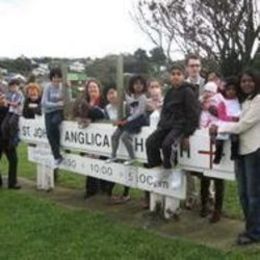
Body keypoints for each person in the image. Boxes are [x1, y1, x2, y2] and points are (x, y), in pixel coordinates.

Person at [210, 70, 260, 245]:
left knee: (254, 195)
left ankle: (255, 233)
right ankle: (251, 227)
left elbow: (243, 125)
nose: (246, 84)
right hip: (241, 150)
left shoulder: (258, 100)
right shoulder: (245, 101)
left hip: (255, 150)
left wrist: (219, 127)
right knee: (243, 193)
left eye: (250, 80)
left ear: (256, 82)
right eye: (244, 81)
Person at [146, 65, 200, 173]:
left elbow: (193, 114)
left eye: (178, 74)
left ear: (183, 76)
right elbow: (165, 111)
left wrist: (187, 135)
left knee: (168, 145)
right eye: (173, 74)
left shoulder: (188, 91)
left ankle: (169, 169)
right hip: (166, 125)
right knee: (150, 142)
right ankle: (156, 168)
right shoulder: (169, 93)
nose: (175, 76)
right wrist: (160, 127)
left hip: (180, 126)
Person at [106, 75, 148, 166]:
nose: (138, 86)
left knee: (125, 137)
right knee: (114, 136)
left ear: (144, 85)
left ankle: (132, 157)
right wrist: (124, 95)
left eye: (141, 84)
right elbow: (131, 103)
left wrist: (127, 120)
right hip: (130, 118)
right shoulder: (133, 95)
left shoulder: (143, 97)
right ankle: (113, 155)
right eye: (136, 84)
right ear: (132, 85)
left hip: (138, 120)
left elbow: (139, 112)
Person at [41, 68, 70, 168]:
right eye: (54, 77)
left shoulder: (63, 87)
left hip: (59, 112)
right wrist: (57, 104)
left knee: (54, 123)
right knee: (49, 134)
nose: (56, 79)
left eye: (59, 77)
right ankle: (57, 156)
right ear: (51, 78)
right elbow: (44, 103)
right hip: (48, 112)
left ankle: (58, 150)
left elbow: (68, 101)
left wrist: (68, 89)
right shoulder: (48, 87)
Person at [82, 79, 106, 199]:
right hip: (88, 137)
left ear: (99, 89)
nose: (92, 89)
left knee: (100, 161)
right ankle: (90, 190)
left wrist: (89, 117)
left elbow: (102, 114)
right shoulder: (84, 102)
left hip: (101, 137)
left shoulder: (103, 101)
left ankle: (101, 189)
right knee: (89, 162)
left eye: (94, 87)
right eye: (90, 87)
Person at [0, 79, 24, 189]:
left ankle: (12, 182)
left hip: (7, 136)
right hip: (3, 135)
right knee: (13, 159)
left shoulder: (9, 99)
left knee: (13, 160)